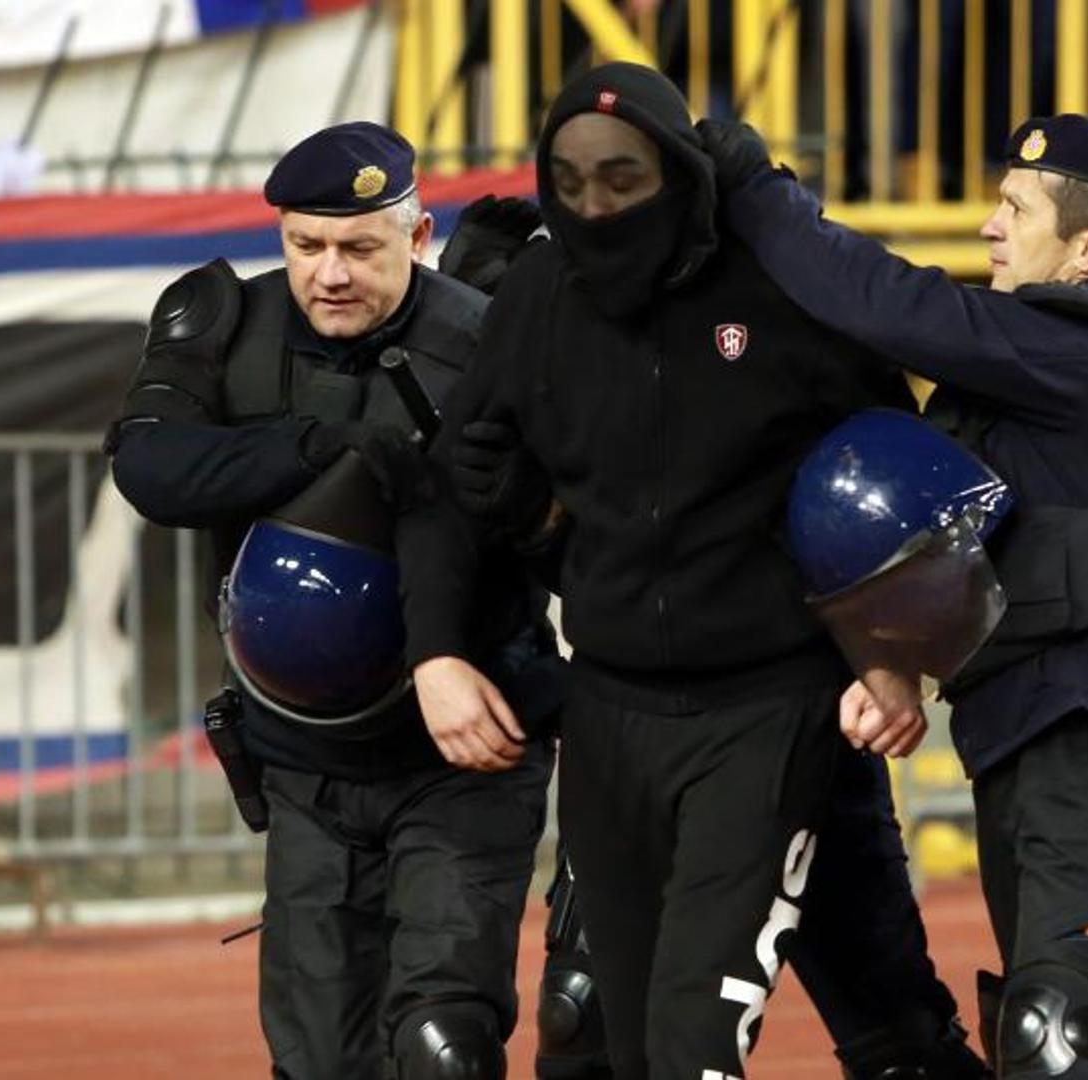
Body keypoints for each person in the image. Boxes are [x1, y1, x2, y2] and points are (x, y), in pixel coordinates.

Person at [403, 63, 983, 1079]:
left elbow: (891, 474)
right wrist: (436, 655)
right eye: (569, 183)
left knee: (693, 1048)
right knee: (615, 1046)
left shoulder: (779, 283)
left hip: (772, 709)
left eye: (621, 179)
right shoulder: (536, 295)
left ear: (676, 170)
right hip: (608, 713)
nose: (594, 206)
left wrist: (890, 658)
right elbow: (455, 484)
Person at [698, 112, 1088, 1077]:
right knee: (1083, 1038)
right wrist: (891, 666)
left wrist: (759, 190)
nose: (988, 226)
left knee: (1064, 1036)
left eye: (1016, 208)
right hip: (1032, 732)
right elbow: (952, 549)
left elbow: (888, 301)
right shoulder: (1040, 368)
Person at [106, 122, 557, 1080]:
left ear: (418, 235)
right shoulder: (229, 325)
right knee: (317, 1061)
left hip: (459, 752)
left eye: (358, 247)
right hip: (303, 765)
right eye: (305, 246)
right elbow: (148, 467)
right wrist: (313, 450)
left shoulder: (487, 341)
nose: (330, 274)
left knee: (443, 1043)